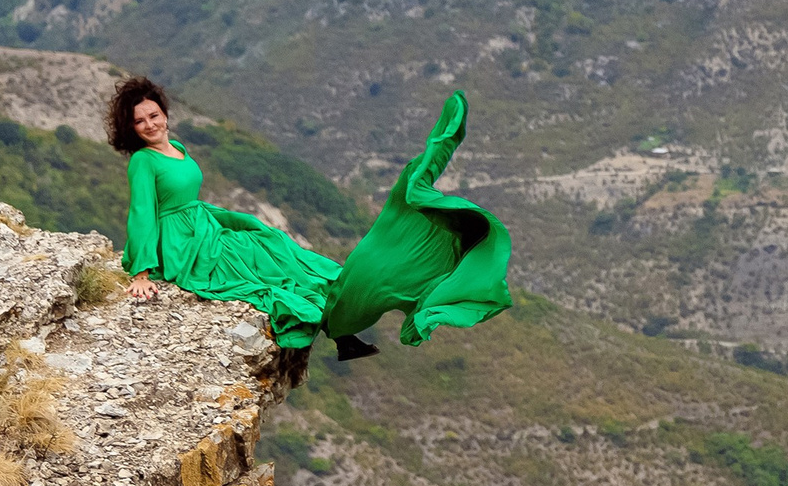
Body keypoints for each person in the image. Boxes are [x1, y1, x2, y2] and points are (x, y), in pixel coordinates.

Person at [108, 76, 512, 371]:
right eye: (140, 121)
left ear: (165, 113)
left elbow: (186, 199)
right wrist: (142, 272)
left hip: (201, 224)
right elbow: (143, 212)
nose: (151, 124)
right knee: (268, 270)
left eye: (154, 115)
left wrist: (237, 220)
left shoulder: (175, 147)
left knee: (286, 252)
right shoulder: (144, 161)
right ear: (131, 128)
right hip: (184, 245)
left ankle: (345, 330)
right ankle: (342, 329)